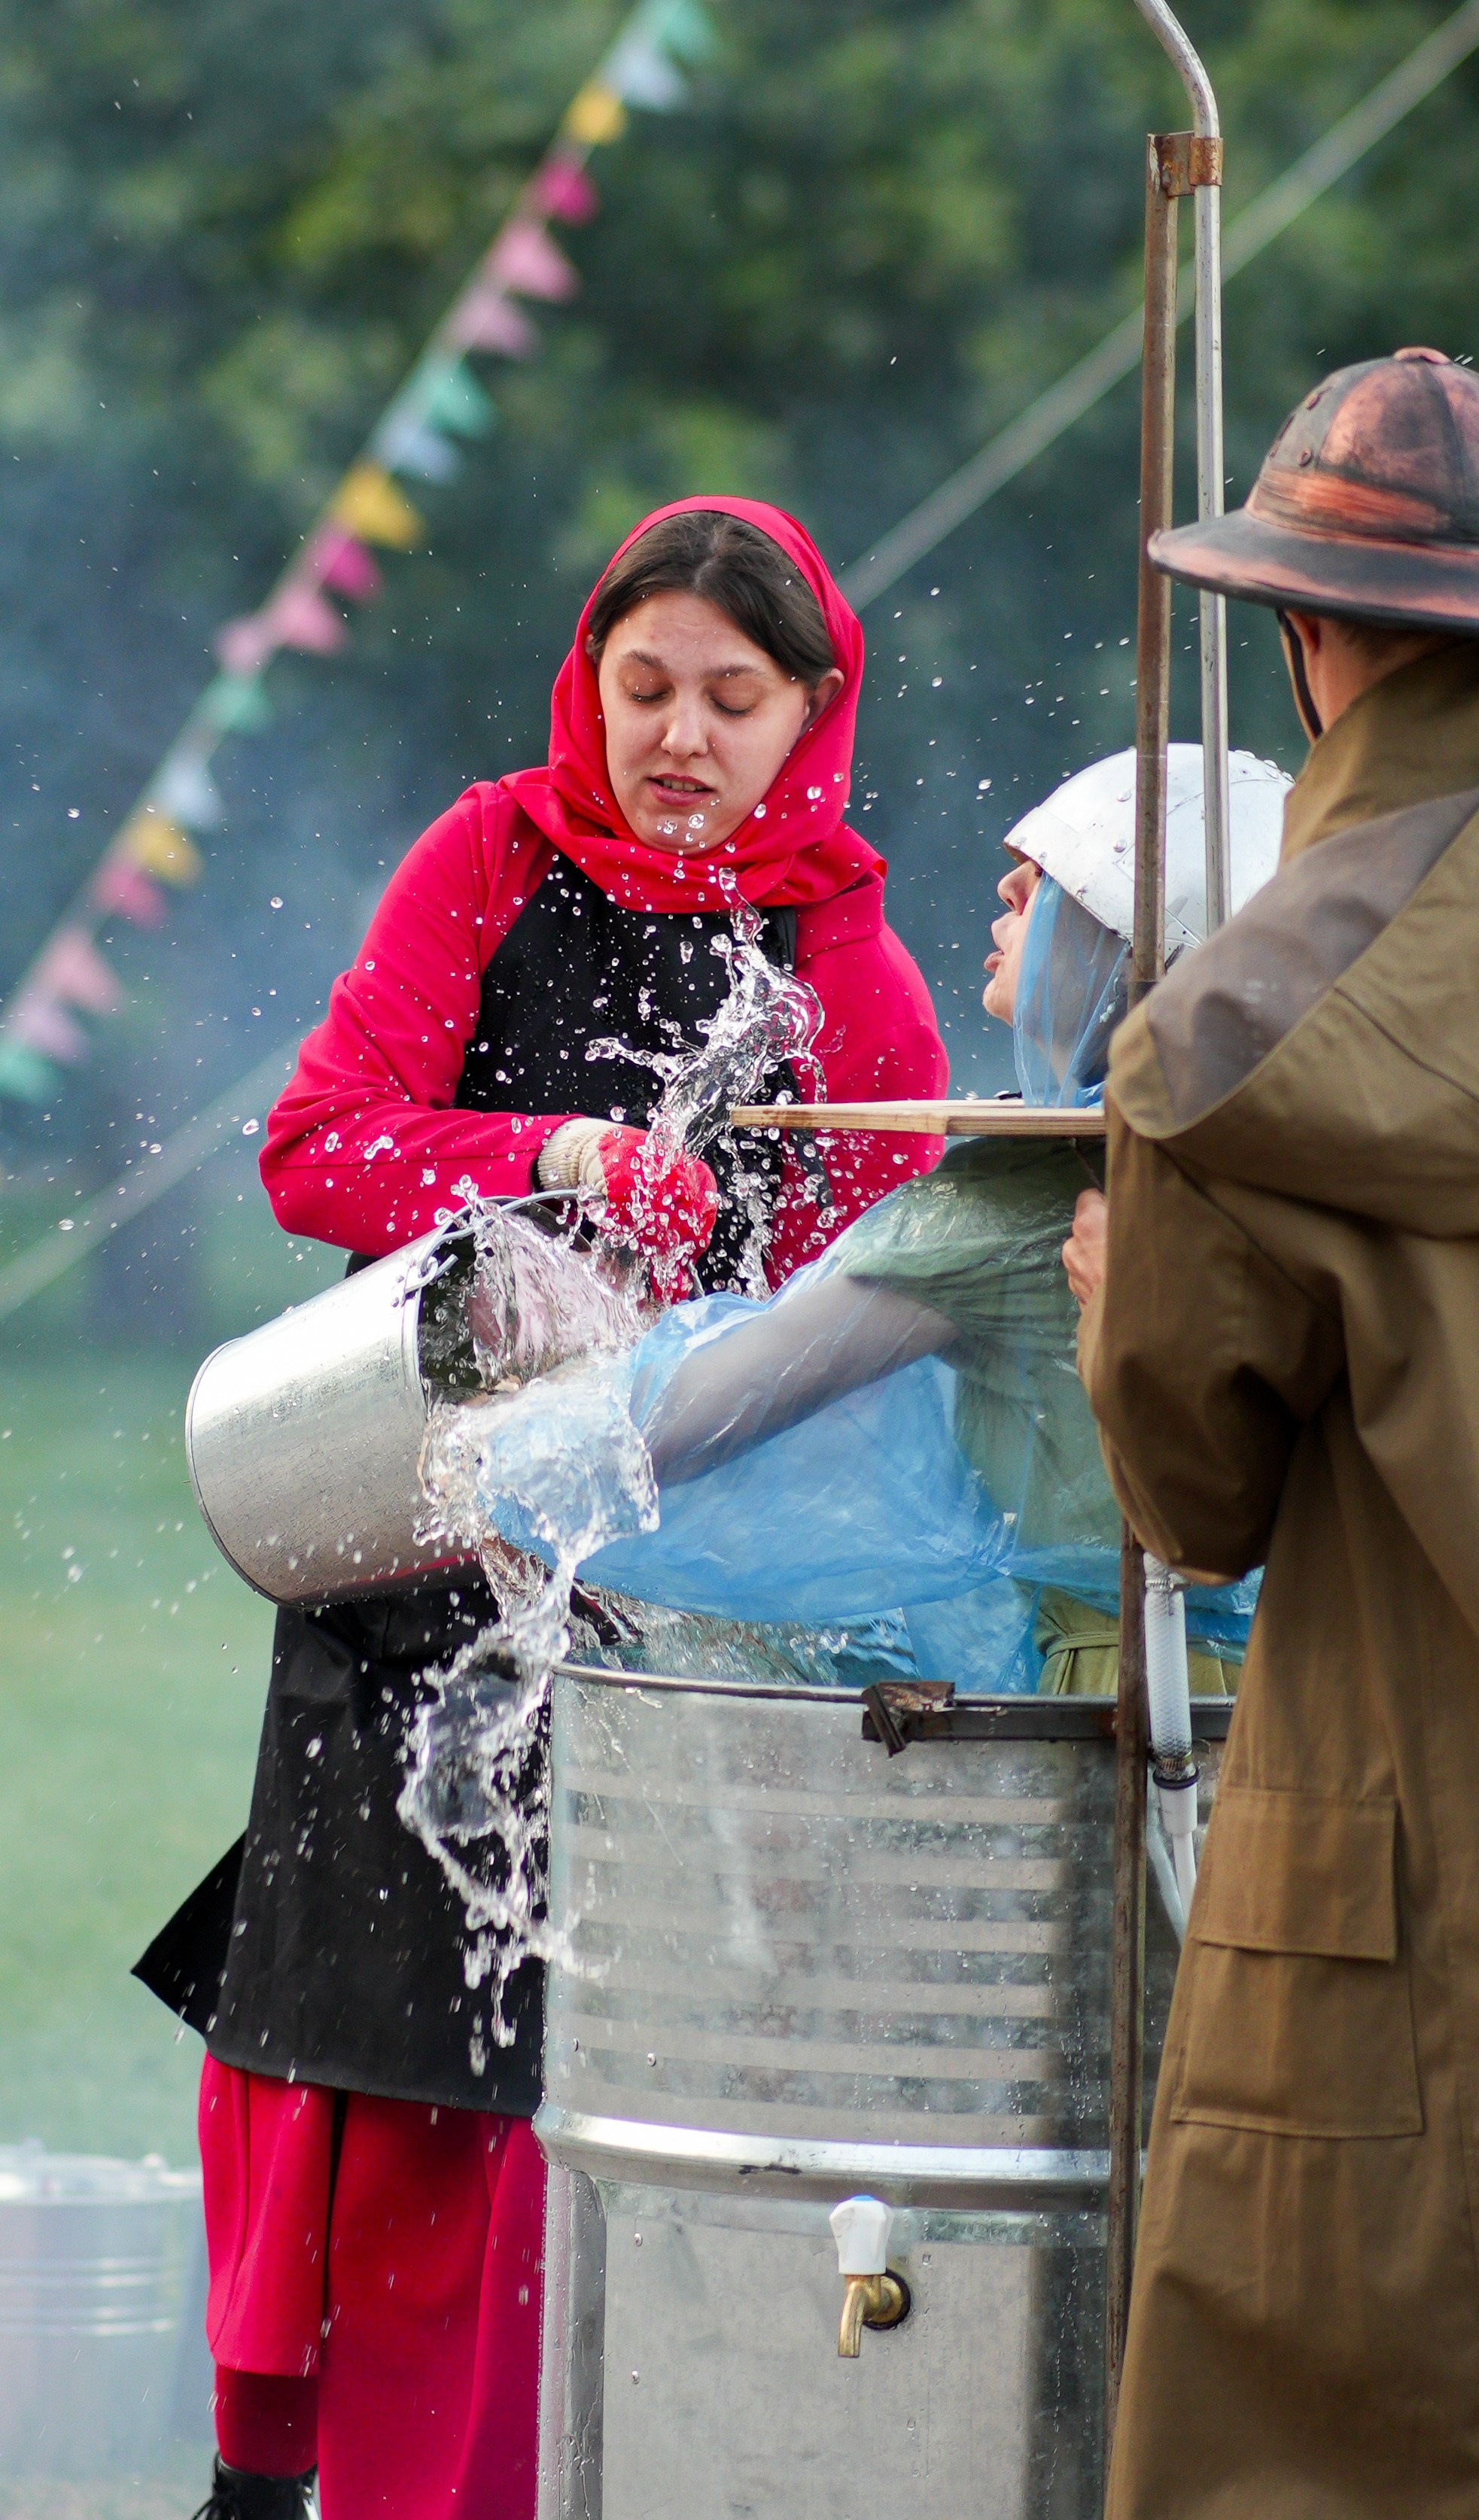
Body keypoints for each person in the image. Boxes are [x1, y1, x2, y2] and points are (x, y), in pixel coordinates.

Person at [136, 497, 947, 2520]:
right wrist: (567, 1158)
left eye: (732, 700)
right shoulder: (494, 852)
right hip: (412, 1542)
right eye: (645, 685)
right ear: (587, 682)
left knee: (572, 2098)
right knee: (363, 2045)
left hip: (670, 1600)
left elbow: (901, 1263)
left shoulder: (836, 944)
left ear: (813, 712)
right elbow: (321, 1154)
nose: (682, 737)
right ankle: (269, 2480)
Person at [1070, 348, 1479, 2517]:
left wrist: (1106, 1296)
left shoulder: (1227, 1042)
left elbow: (1194, 1494)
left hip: (1439, 1930)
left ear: (1304, 636)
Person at [469, 745, 1283, 1698]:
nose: (1010, 887)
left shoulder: (1020, 1199)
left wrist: (487, 1446)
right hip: (1314, 1690)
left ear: (1136, 953)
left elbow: (683, 1417)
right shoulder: (1288, 1167)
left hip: (1141, 1694)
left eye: (1056, 889)